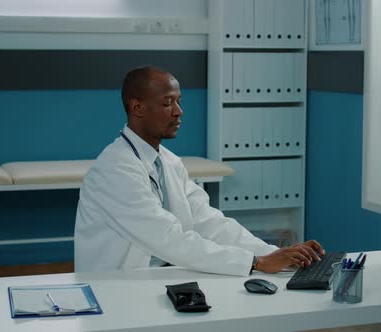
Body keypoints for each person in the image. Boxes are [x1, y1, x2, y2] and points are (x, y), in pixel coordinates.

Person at [74, 65, 324, 276]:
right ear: (137, 107)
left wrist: (271, 253)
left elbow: (209, 221)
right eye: (168, 102)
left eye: (179, 101)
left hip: (163, 274)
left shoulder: (169, 162)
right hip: (117, 289)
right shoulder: (115, 169)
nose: (179, 112)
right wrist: (255, 263)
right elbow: (167, 237)